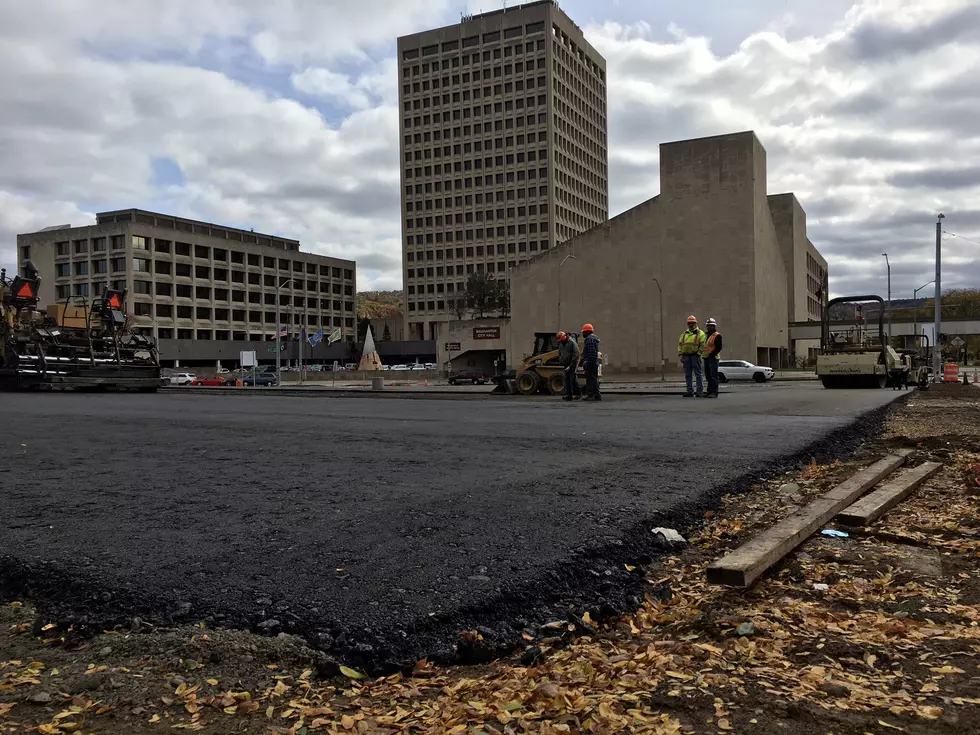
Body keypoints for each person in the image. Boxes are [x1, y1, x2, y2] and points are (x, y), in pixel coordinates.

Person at [678, 315, 706, 397]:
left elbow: (703, 345)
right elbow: (680, 345)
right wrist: (680, 355)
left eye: (692, 323)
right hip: (686, 356)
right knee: (688, 374)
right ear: (687, 324)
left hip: (695, 356)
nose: (691, 325)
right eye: (689, 323)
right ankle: (689, 391)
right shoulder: (684, 334)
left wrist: (698, 354)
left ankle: (699, 391)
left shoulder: (700, 333)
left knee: (698, 374)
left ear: (695, 323)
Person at [701, 317, 723, 398]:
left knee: (713, 376)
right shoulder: (706, 335)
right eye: (708, 325)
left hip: (713, 358)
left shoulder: (717, 335)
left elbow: (719, 347)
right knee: (708, 376)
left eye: (711, 325)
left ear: (714, 326)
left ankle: (714, 392)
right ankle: (709, 391)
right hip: (706, 358)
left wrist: (712, 354)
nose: (709, 327)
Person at [556, 331, 581, 401]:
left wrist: (570, 365)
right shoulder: (561, 344)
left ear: (564, 337)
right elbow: (560, 353)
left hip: (573, 363)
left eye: (561, 340)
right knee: (567, 379)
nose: (560, 341)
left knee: (572, 378)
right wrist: (560, 360)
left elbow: (576, 354)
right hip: (566, 363)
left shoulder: (572, 342)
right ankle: (569, 395)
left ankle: (578, 393)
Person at [581, 323, 601, 401]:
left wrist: (587, 362)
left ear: (587, 332)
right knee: (592, 379)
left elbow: (591, 354)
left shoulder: (590, 340)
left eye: (583, 332)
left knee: (591, 380)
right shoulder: (591, 339)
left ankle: (594, 395)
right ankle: (594, 395)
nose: (582, 333)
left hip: (591, 363)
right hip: (592, 362)